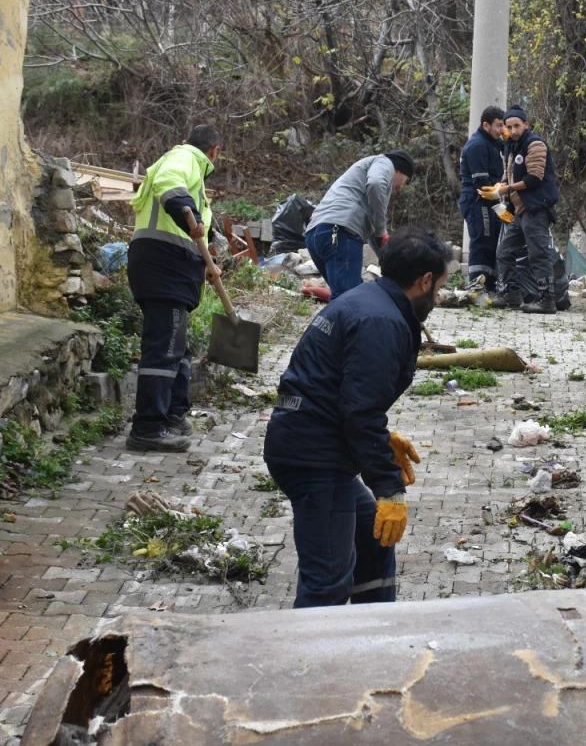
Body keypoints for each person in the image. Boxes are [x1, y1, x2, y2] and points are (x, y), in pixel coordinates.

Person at [263, 228, 451, 608]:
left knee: (374, 537)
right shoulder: (381, 323)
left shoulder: (370, 301)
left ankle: (375, 638)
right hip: (313, 457)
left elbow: (346, 395)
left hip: (311, 440)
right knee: (328, 581)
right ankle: (307, 661)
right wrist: (388, 489)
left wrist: (382, 440)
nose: (439, 297)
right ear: (425, 280)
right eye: (439, 288)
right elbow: (360, 411)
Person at [126, 124, 224, 453]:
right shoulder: (183, 159)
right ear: (215, 151)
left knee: (178, 348)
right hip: (162, 266)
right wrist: (190, 213)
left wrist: (207, 262)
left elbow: (195, 232)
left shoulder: (191, 170)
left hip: (173, 268)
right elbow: (171, 187)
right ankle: (148, 428)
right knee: (165, 346)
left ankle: (173, 415)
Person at [482, 105, 562, 314]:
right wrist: (500, 187)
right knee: (504, 251)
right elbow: (509, 175)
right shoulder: (512, 146)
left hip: (536, 207)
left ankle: (547, 299)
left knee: (538, 253)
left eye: (517, 125)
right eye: (509, 126)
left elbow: (534, 177)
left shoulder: (534, 144)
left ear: (526, 124)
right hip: (520, 210)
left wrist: (506, 189)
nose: (513, 130)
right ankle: (511, 292)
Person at [304, 150, 414, 299]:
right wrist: (382, 231)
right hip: (339, 233)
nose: (402, 187)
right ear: (400, 169)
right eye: (407, 180)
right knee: (349, 300)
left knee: (356, 297)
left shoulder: (363, 178)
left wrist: (386, 260)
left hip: (316, 235)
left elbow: (375, 233)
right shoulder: (385, 163)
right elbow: (375, 183)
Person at [459, 106, 507, 289]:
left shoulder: (493, 141)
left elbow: (509, 148)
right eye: (499, 126)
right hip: (477, 201)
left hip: (489, 202)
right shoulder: (478, 145)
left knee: (494, 242)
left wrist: (509, 136)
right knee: (483, 241)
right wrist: (498, 205)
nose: (502, 130)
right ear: (486, 125)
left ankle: (491, 286)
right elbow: (481, 183)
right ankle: (476, 287)